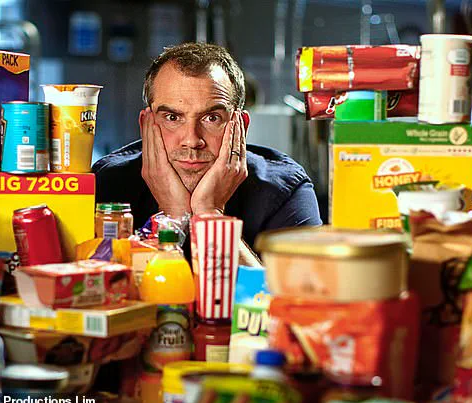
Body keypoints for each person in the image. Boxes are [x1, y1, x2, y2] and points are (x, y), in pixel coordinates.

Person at [92, 42, 322, 264]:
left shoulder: (284, 190)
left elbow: (300, 289)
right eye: (172, 117)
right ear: (146, 125)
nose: (192, 140)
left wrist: (210, 214)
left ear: (241, 126)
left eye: (212, 118)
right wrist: (173, 215)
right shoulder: (105, 184)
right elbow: (94, 283)